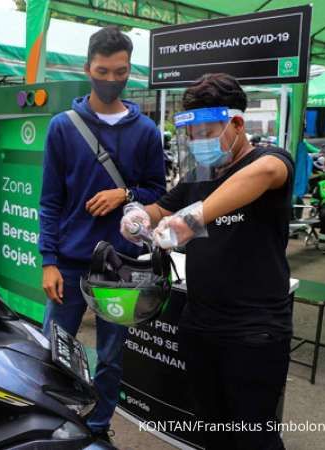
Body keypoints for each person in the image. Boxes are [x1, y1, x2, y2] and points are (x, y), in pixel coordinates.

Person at [121, 73, 293, 450]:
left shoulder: (270, 161)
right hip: (199, 323)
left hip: (254, 329)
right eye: (192, 135)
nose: (199, 142)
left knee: (254, 436)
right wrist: (136, 216)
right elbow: (158, 208)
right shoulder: (199, 176)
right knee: (211, 426)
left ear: (236, 123)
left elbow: (265, 174)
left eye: (206, 131)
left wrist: (193, 218)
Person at [39, 25, 166, 440]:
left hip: (121, 268)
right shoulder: (63, 126)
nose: (111, 79)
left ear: (130, 71)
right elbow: (50, 202)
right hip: (71, 266)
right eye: (103, 70)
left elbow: (158, 193)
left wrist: (124, 194)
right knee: (53, 353)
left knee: (110, 358)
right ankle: (52, 423)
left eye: (121, 71)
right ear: (88, 68)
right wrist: (49, 261)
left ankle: (96, 428)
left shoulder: (145, 131)